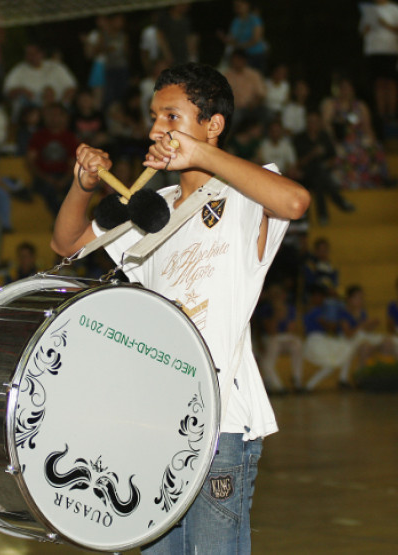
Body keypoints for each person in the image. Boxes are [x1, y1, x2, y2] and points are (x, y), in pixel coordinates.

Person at [51, 63, 310, 554]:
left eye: (172, 117)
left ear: (212, 124)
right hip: (152, 420)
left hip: (221, 421)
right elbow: (66, 245)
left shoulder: (243, 191)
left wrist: (204, 156)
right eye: (153, 117)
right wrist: (83, 184)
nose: (155, 129)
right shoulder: (150, 208)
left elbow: (295, 202)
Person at [292, 111, 355, 225]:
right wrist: (313, 154)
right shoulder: (300, 138)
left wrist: (327, 164)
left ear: (319, 123)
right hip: (305, 174)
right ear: (306, 123)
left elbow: (333, 157)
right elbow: (298, 163)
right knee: (319, 176)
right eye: (310, 122)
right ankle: (339, 202)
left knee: (319, 178)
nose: (313, 124)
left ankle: (323, 216)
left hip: (323, 172)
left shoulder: (324, 136)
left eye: (315, 122)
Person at [359, 0, 398, 122]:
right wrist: (368, 27)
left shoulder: (395, 9)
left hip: (390, 50)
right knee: (379, 83)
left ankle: (392, 113)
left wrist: (385, 24)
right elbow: (362, 32)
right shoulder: (368, 11)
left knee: (391, 82)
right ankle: (381, 114)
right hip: (373, 50)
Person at [26, 103, 78, 215]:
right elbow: (31, 162)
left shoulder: (70, 137)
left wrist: (64, 179)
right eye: (51, 115)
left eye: (58, 115)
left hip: (63, 175)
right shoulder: (38, 136)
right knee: (48, 190)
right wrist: (47, 178)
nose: (54, 119)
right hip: (43, 176)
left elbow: (73, 164)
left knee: (76, 190)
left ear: (64, 117)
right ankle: (61, 220)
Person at [257, 283, 304, 393]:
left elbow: (291, 329)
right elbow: (271, 331)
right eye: (274, 294)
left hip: (285, 338)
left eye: (279, 294)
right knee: (268, 360)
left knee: (297, 344)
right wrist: (277, 314)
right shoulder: (265, 309)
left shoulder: (290, 308)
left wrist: (283, 311)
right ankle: (277, 386)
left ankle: (297, 380)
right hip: (269, 339)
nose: (277, 297)